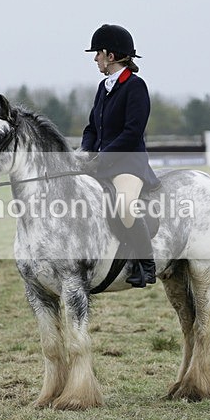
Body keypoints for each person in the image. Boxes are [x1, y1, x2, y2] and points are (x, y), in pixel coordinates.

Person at [80, 24, 160, 288]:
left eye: (98, 54)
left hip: (128, 163)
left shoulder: (136, 87)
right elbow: (92, 127)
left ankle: (146, 263)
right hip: (102, 162)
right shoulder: (104, 87)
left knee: (124, 205)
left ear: (110, 56)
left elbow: (132, 132)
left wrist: (102, 157)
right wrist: (86, 152)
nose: (95, 59)